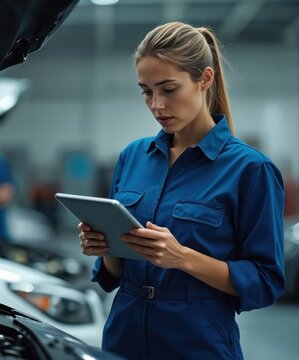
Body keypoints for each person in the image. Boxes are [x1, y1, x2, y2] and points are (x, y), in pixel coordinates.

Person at [78, 22, 285, 359]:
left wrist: (183, 258)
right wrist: (105, 246)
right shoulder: (132, 157)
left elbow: (265, 281)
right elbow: (115, 272)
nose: (156, 104)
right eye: (146, 91)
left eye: (168, 89)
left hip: (196, 343)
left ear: (204, 79)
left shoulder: (250, 170)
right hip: (123, 338)